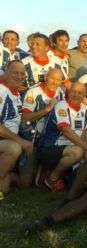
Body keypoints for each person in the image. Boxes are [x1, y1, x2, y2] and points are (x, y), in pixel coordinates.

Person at [37, 82, 87, 192]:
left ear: (84, 95)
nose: (76, 95)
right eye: (73, 92)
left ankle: (62, 174)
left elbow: (83, 134)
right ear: (68, 92)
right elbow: (66, 131)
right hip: (49, 148)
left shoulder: (85, 110)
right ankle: (52, 177)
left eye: (80, 93)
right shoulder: (61, 106)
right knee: (78, 152)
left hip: (69, 149)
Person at [21, 69, 65, 186]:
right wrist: (46, 110)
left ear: (61, 81)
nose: (55, 82)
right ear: (46, 78)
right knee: (26, 182)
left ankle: (45, 170)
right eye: (52, 78)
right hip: (33, 139)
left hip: (51, 139)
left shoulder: (61, 92)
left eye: (58, 80)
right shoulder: (33, 92)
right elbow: (25, 117)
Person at [0, 60, 33, 197]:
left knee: (6, 188)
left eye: (22, 74)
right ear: (6, 73)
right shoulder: (1, 90)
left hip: (6, 139)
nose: (19, 76)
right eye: (15, 73)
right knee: (14, 148)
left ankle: (6, 175)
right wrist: (22, 141)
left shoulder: (16, 94)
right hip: (4, 140)